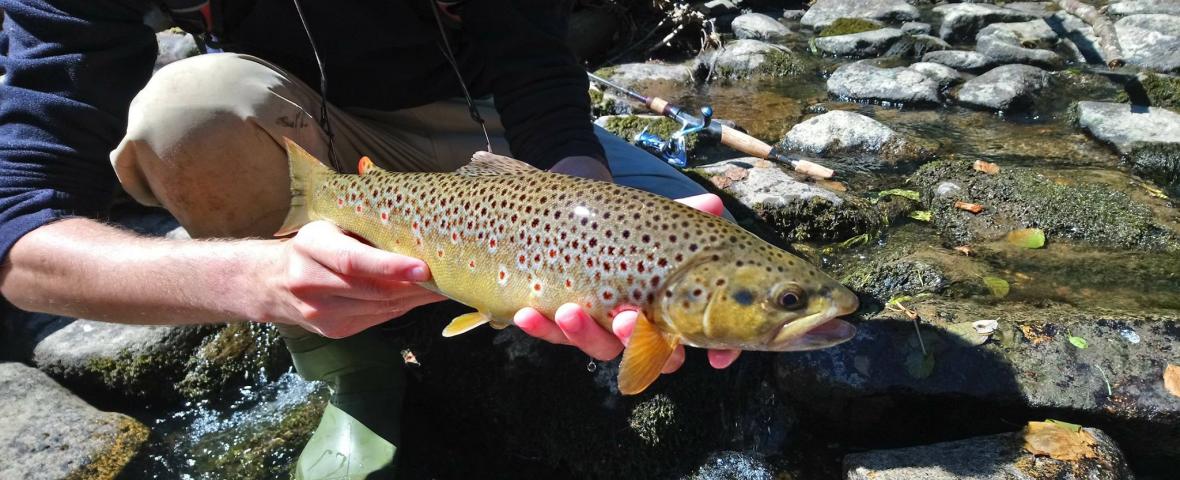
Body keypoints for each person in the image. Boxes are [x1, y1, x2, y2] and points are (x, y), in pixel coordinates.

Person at [0, 0, 740, 477]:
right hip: (298, 126)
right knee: (184, 113)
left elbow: (535, 64)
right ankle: (352, 373)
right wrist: (256, 282)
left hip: (486, 129)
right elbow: (17, 231)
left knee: (714, 255)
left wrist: (586, 195)